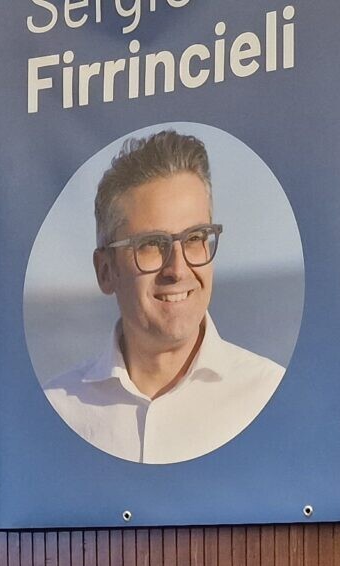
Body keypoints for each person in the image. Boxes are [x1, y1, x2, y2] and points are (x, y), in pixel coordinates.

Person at [41, 128, 286, 463]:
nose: (178, 269)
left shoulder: (271, 396)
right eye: (152, 244)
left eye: (195, 238)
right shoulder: (56, 412)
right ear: (106, 271)